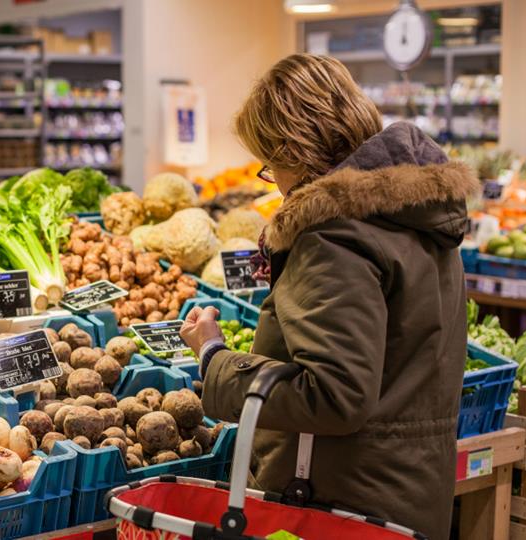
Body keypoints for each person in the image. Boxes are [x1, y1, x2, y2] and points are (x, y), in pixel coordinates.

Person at [180, 54, 479, 540]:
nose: (272, 180)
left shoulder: (332, 236)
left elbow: (334, 396)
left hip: (335, 507)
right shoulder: (417, 217)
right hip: (406, 497)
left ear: (293, 150)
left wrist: (214, 356)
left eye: (269, 163)